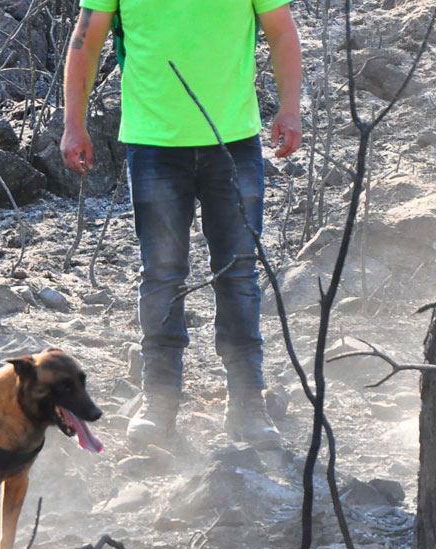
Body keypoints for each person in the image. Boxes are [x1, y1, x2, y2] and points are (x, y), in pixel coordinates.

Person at [60, 0, 302, 450]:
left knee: (239, 273)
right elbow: (86, 40)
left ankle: (248, 400)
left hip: (234, 141)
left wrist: (289, 108)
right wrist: (73, 123)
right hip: (154, 145)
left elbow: (282, 32)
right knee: (162, 275)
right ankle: (160, 400)